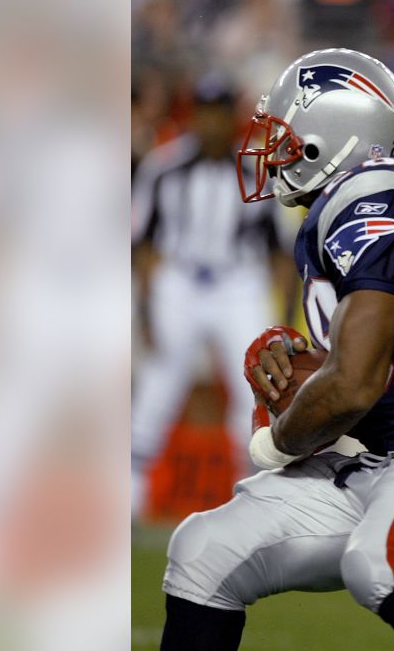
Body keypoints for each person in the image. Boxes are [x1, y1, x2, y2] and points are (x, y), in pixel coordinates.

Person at [157, 48, 394, 651]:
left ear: (330, 139)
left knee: (382, 561)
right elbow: (363, 362)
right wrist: (293, 354)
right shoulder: (338, 213)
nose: (273, 149)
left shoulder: (376, 193)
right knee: (203, 550)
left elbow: (356, 384)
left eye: (286, 135)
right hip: (386, 457)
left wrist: (279, 437)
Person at [131, 72, 296, 521]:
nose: (212, 122)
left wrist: (283, 314)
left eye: (220, 112)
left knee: (256, 387)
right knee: (159, 383)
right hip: (179, 280)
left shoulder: (255, 173)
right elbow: (143, 244)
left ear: (232, 118)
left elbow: (278, 251)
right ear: (194, 115)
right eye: (205, 112)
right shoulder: (164, 167)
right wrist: (144, 310)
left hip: (237, 281)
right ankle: (131, 494)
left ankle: (252, 494)